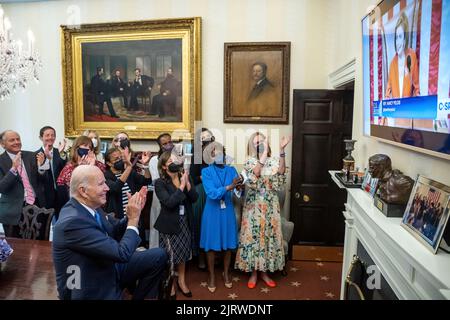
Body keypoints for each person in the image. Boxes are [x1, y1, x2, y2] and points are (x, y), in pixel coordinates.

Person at [52, 165, 167, 300]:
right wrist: (134, 219)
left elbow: (114, 230)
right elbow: (121, 253)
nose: (107, 188)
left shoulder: (91, 206)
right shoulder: (72, 222)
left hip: (106, 266)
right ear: (83, 191)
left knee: (159, 255)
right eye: (101, 184)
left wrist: (132, 215)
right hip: (90, 284)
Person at [235, 132, 291, 289]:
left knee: (268, 237)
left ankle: (264, 272)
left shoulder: (273, 161)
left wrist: (281, 150)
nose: (259, 144)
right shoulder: (249, 161)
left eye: (262, 142)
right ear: (252, 146)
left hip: (270, 206)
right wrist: (264, 154)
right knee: (254, 238)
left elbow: (280, 173)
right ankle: (253, 273)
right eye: (256, 143)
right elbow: (256, 174)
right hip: (253, 206)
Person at [154, 151, 198, 299]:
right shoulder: (160, 183)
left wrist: (188, 183)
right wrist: (181, 187)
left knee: (183, 254)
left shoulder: (183, 176)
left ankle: (181, 280)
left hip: (184, 221)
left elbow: (194, 198)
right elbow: (170, 203)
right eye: (170, 161)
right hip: (168, 224)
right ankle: (171, 283)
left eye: (175, 159)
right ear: (164, 166)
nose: (174, 162)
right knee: (170, 256)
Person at [200, 142, 242, 293]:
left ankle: (226, 273)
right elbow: (212, 193)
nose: (218, 155)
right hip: (212, 212)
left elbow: (238, 193)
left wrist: (239, 187)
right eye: (214, 153)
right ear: (210, 156)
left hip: (227, 211)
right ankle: (211, 275)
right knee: (211, 244)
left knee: (228, 244)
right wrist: (229, 187)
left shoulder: (232, 170)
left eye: (220, 152)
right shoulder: (206, 172)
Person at [0, 130, 46, 237]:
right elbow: (2, 188)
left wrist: (41, 168)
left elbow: (42, 180)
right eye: (12, 140)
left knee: (39, 245)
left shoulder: (31, 156)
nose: (17, 142)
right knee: (16, 248)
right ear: (3, 144)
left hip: (36, 207)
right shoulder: (1, 161)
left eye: (18, 139)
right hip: (13, 212)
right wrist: (13, 169)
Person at [384, 12, 420, 128]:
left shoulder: (411, 56)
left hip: (407, 114)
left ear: (405, 38)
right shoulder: (392, 63)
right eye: (396, 37)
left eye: (400, 37)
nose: (397, 42)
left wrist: (417, 105)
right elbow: (388, 92)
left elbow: (416, 87)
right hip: (394, 116)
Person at [189, 128, 215, 270]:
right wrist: (208, 175)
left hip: (216, 193)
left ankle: (214, 254)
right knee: (200, 224)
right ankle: (201, 257)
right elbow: (193, 178)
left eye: (208, 138)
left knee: (213, 225)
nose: (206, 141)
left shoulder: (218, 153)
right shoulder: (196, 156)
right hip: (201, 193)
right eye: (203, 138)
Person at [104, 147, 152, 220]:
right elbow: (115, 188)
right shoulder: (106, 176)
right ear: (109, 163)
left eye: (121, 157)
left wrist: (146, 165)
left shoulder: (129, 172)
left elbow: (146, 181)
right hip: (117, 217)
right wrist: (129, 167)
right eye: (116, 159)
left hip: (133, 214)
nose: (120, 160)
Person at [56, 136, 106, 204]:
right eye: (85, 146)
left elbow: (101, 182)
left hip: (96, 202)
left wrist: (92, 167)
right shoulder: (69, 167)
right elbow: (69, 188)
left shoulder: (99, 165)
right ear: (77, 148)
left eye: (90, 147)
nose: (88, 148)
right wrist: (81, 169)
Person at [148, 133, 174, 248]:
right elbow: (156, 180)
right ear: (160, 146)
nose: (168, 145)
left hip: (174, 194)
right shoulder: (155, 160)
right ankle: (156, 250)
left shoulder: (176, 157)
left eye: (170, 142)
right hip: (160, 195)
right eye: (165, 143)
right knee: (157, 223)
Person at [36, 126, 68, 217]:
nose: (50, 137)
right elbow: (38, 177)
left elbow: (65, 169)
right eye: (47, 135)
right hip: (45, 195)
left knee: (62, 219)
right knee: (45, 224)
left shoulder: (60, 152)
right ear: (41, 138)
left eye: (53, 135)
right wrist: (45, 162)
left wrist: (62, 153)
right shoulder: (36, 155)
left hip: (61, 193)